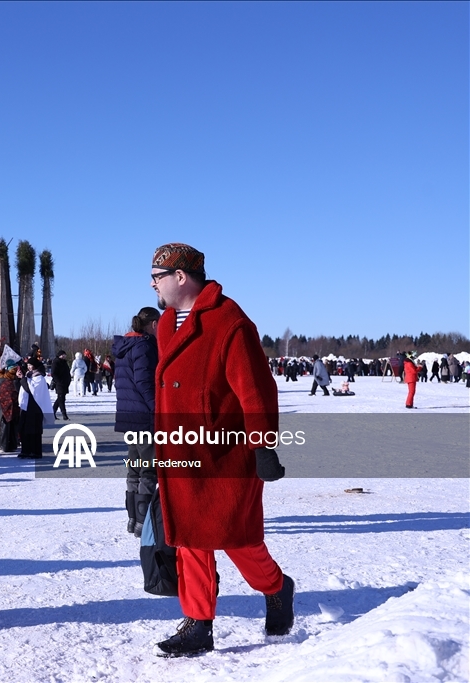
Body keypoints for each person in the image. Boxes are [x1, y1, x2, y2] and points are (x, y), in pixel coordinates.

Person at [148, 243, 292, 657]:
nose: (152, 284)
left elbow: (256, 390)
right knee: (189, 538)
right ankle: (198, 623)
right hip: (181, 451)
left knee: (236, 539)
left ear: (180, 277)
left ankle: (277, 587)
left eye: (157, 276)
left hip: (225, 455)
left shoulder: (230, 321)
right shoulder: (166, 325)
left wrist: (263, 447)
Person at [112, 306, 160, 537]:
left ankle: (133, 519)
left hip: (129, 414)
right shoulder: (144, 346)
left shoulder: (126, 345)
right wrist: (157, 409)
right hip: (143, 415)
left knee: (135, 467)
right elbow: (144, 382)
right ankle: (143, 521)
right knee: (149, 468)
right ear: (154, 324)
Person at [17, 358, 53, 459]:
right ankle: (26, 450)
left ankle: (35, 451)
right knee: (24, 429)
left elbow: (30, 389)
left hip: (36, 407)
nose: (29, 367)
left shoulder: (39, 377)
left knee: (34, 430)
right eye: (28, 365)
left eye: (30, 365)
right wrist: (21, 378)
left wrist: (22, 379)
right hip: (26, 406)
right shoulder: (29, 376)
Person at [50, 350, 71, 420]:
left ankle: (53, 412)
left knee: (60, 398)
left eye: (64, 355)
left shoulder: (64, 362)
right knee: (61, 399)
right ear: (59, 355)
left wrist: (68, 380)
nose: (64, 356)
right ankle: (64, 415)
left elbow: (67, 372)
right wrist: (58, 381)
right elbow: (53, 373)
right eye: (62, 355)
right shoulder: (56, 362)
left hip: (65, 383)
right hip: (59, 383)